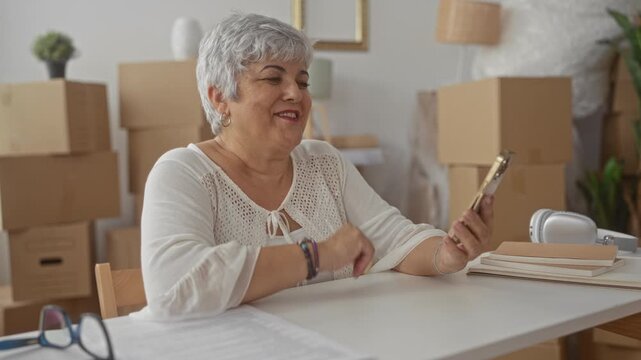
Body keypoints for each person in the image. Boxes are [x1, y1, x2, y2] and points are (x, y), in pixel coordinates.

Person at [135, 13, 494, 320]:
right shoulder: (182, 172)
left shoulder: (323, 162)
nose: (296, 93)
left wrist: (445, 255)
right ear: (220, 97)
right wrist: (315, 255)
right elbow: (173, 288)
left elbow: (396, 238)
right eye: (274, 78)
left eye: (302, 81)